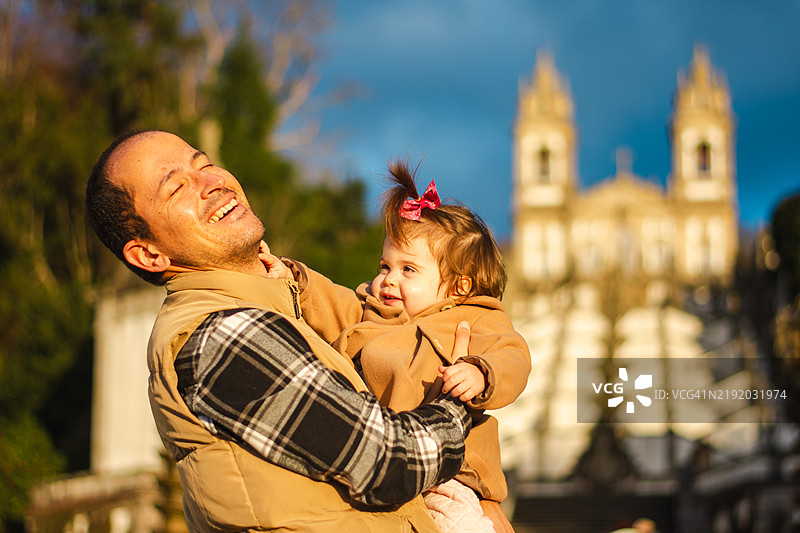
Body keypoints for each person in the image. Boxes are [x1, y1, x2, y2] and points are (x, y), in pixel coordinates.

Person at [85, 129, 476, 533]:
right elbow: (391, 462)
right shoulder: (220, 334)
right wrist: (461, 395)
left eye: (204, 164)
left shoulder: (273, 309)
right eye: (177, 187)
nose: (212, 181)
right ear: (149, 254)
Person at [276, 161, 531, 533]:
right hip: (378, 459)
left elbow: (513, 356)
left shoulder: (476, 317)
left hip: (450, 473)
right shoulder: (373, 311)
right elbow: (334, 301)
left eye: (408, 270)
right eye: (385, 266)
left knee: (461, 524)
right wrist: (296, 278)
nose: (389, 280)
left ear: (459, 286)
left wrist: (480, 372)